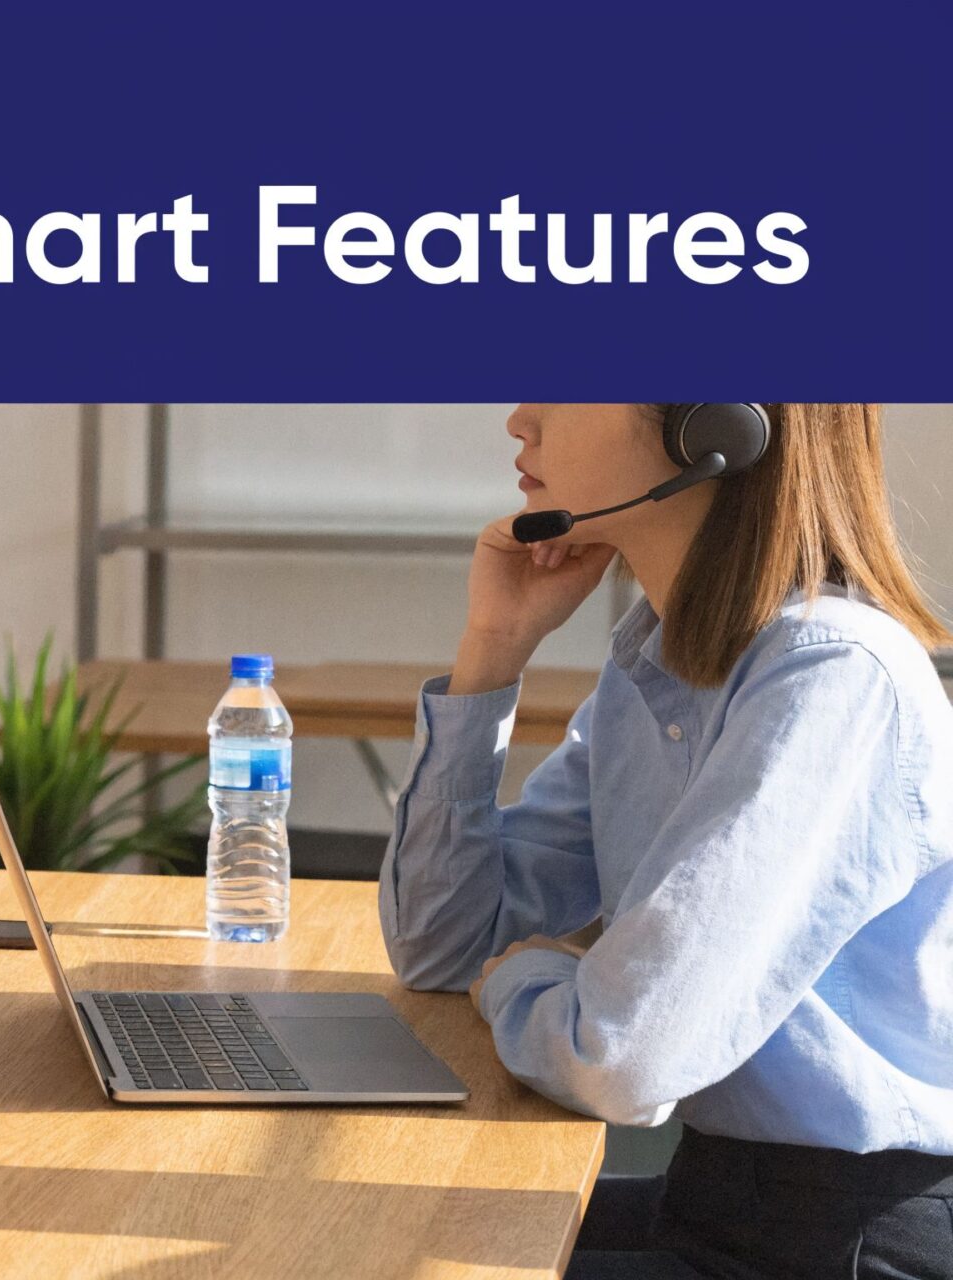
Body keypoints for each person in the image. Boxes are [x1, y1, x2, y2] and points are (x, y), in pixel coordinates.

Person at [380, 404, 953, 1277]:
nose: (520, 419)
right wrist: (493, 649)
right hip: (722, 1193)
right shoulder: (656, 665)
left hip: (848, 1240)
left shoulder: (830, 676)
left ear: (712, 428)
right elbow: (442, 945)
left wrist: (523, 980)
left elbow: (620, 1057)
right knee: (387, 1233)